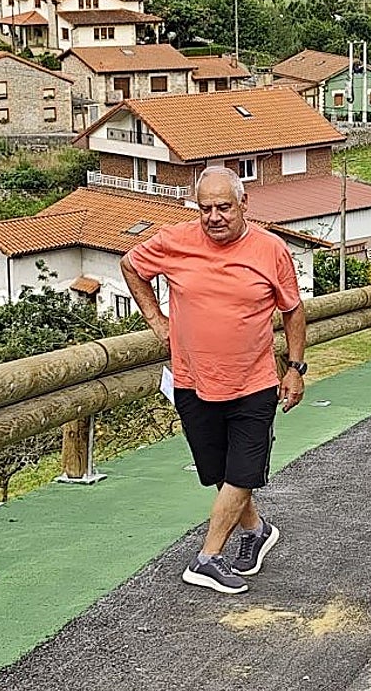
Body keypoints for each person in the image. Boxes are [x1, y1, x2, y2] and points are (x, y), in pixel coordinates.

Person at [119, 166, 307, 596]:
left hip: (254, 383)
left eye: (224, 207)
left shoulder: (270, 249)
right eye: (205, 208)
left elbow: (292, 310)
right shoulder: (174, 241)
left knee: (242, 472)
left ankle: (208, 557)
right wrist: (156, 319)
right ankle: (257, 530)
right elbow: (131, 265)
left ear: (244, 204)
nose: (214, 216)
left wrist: (295, 369)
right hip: (192, 380)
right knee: (218, 472)